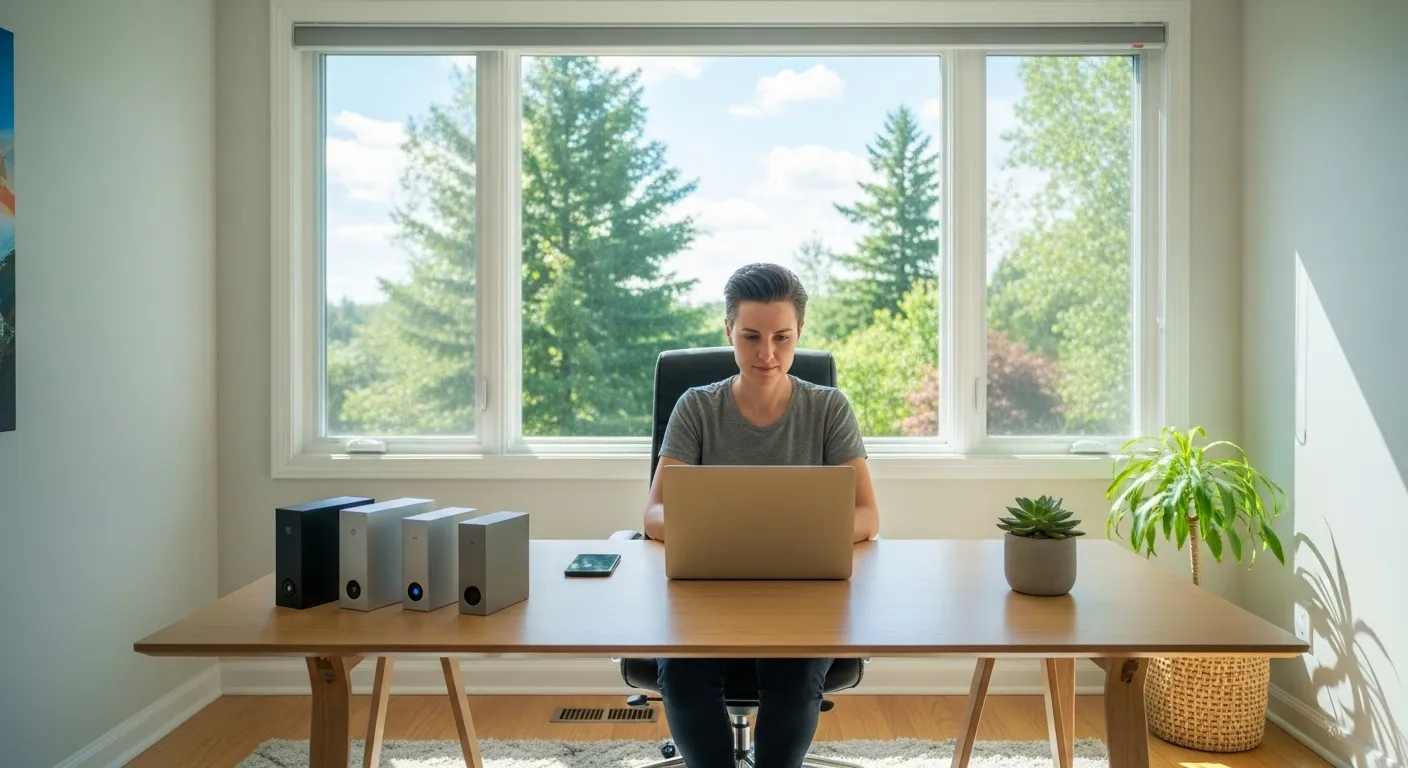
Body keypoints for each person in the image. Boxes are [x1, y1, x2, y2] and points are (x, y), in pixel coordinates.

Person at [642, 262, 880, 768]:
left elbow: (867, 516)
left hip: (801, 593)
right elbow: (655, 513)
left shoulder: (828, 408)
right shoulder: (696, 408)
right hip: (705, 593)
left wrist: (792, 537)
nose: (767, 354)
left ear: (800, 333)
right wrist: (719, 536)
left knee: (794, 677)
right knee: (683, 676)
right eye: (750, 336)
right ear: (728, 330)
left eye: (782, 337)